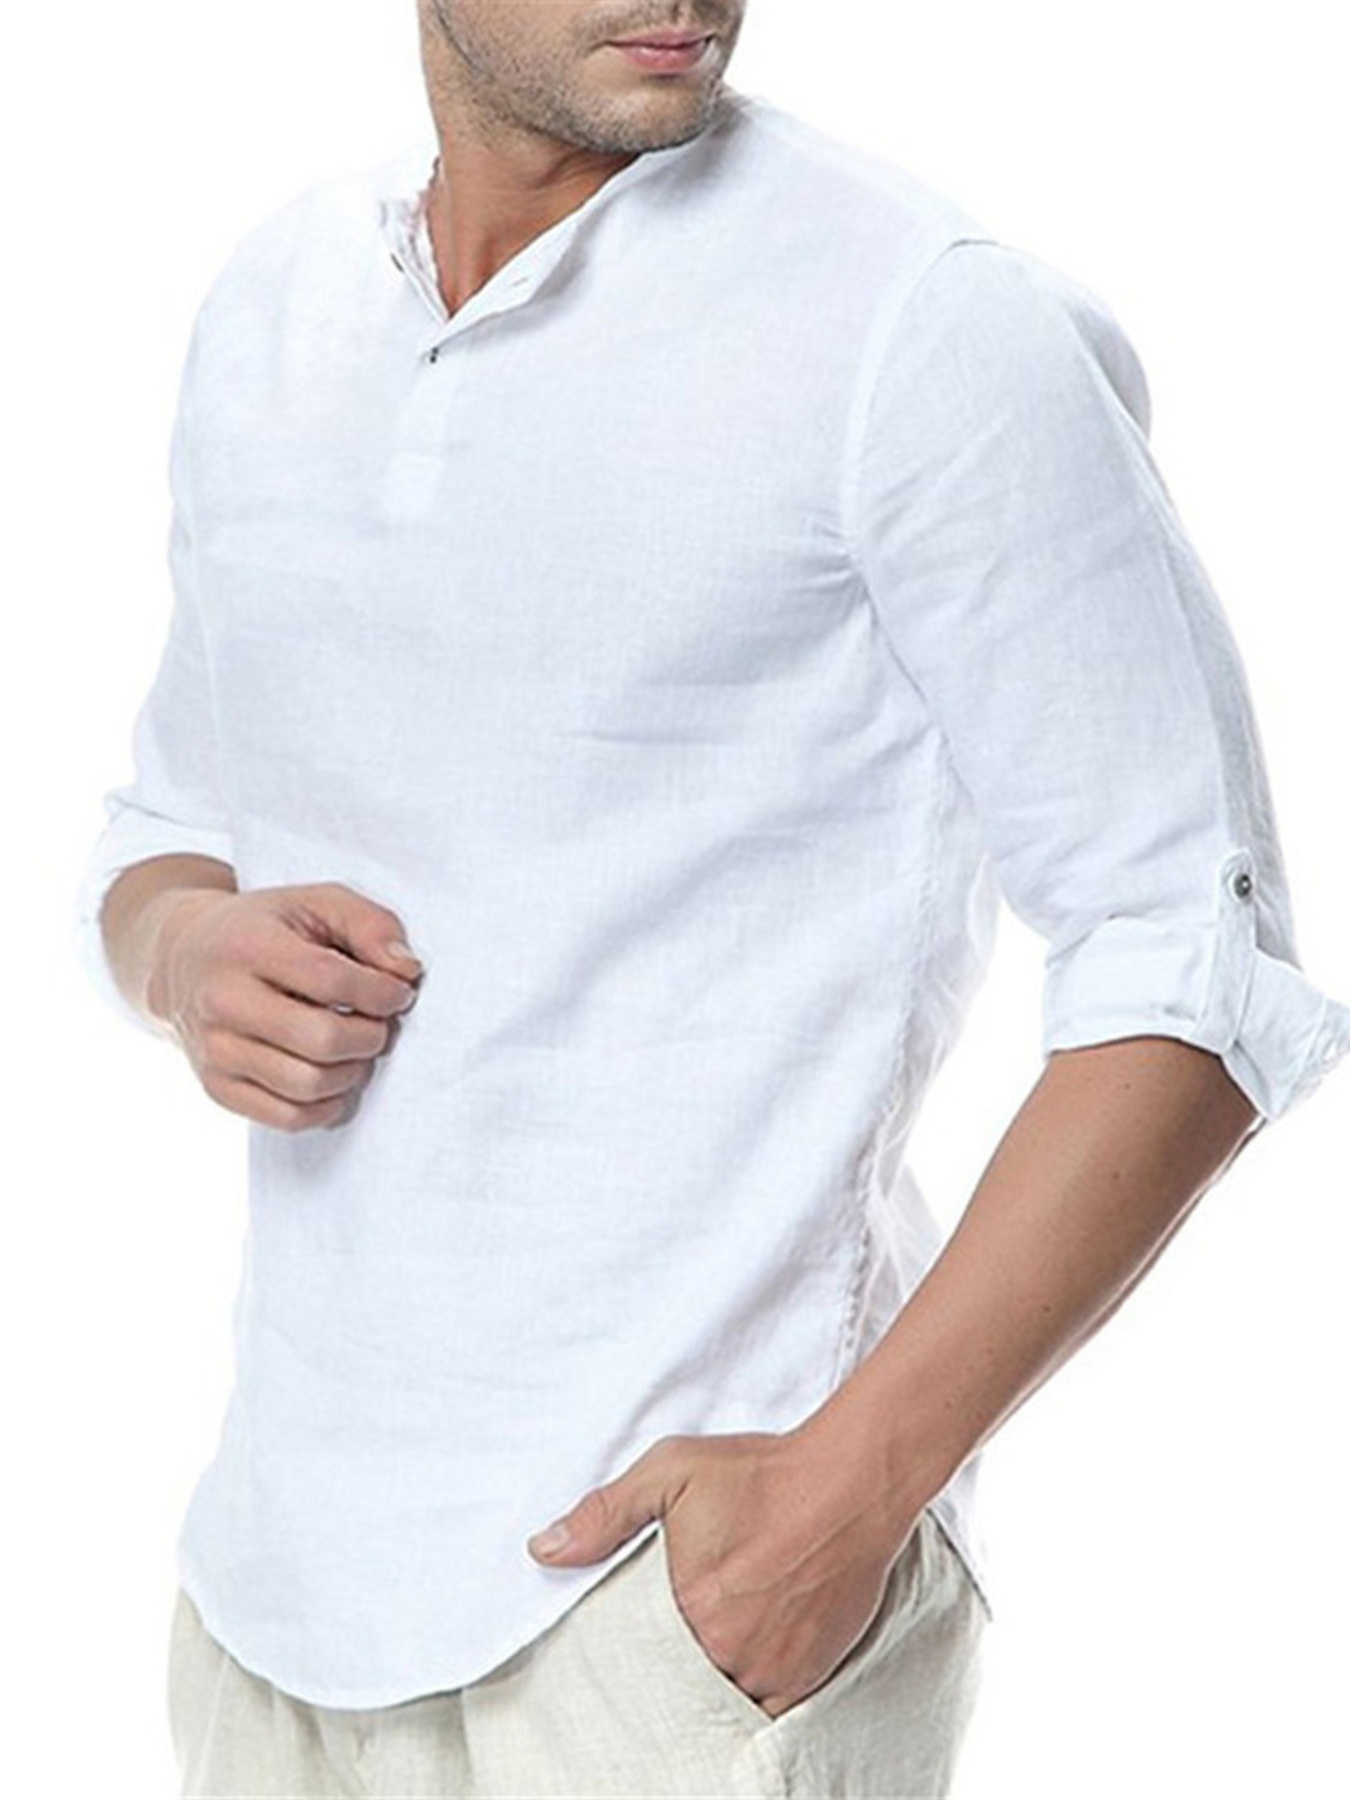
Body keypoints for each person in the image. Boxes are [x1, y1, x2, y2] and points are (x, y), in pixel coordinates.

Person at [72, 4, 1350, 1796]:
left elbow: (1194, 963)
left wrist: (845, 1498)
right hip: (272, 1595)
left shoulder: (922, 321)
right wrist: (185, 948)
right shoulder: (276, 304)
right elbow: (170, 818)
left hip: (675, 1613)